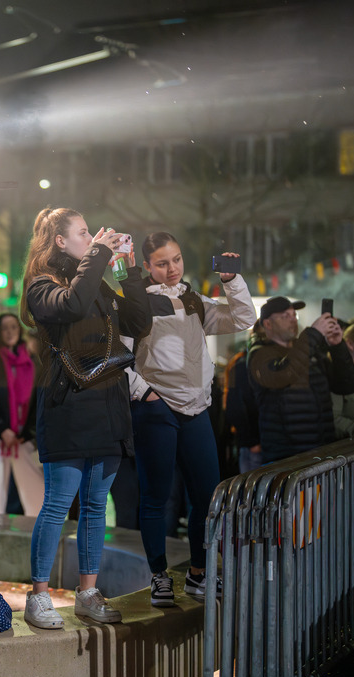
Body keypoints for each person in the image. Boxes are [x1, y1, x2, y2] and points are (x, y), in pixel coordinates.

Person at [20, 208, 151, 629]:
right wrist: (98, 255)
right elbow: (72, 305)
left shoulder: (96, 281)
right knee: (59, 503)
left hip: (108, 406)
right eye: (82, 233)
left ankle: (88, 592)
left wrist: (130, 271)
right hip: (69, 407)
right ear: (59, 241)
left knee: (96, 507)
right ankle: (38, 596)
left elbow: (140, 321)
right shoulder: (42, 284)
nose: (92, 237)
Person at [125, 233, 256, 607]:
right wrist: (144, 393)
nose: (172, 268)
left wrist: (232, 281)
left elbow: (244, 317)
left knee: (206, 497)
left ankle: (199, 574)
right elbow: (118, 357)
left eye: (177, 260)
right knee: (156, 498)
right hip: (157, 410)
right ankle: (159, 576)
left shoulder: (194, 299)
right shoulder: (136, 302)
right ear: (147, 265)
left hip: (197, 409)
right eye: (162, 263)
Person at [247, 296, 354, 462]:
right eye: (285, 316)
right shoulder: (260, 354)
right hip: (286, 458)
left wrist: (337, 346)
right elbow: (283, 375)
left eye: (294, 315)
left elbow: (346, 385)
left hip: (321, 452)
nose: (293, 320)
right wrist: (312, 335)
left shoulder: (309, 351)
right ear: (267, 324)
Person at [0, 312, 42, 516]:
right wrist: (3, 429)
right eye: (5, 328)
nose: (10, 332)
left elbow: (37, 399)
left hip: (24, 438)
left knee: (35, 491)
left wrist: (27, 431)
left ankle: (36, 534)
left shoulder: (33, 362)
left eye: (13, 327)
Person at [225, 322, 265, 473]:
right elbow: (234, 408)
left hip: (267, 444)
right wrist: (252, 442)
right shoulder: (240, 366)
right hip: (254, 446)